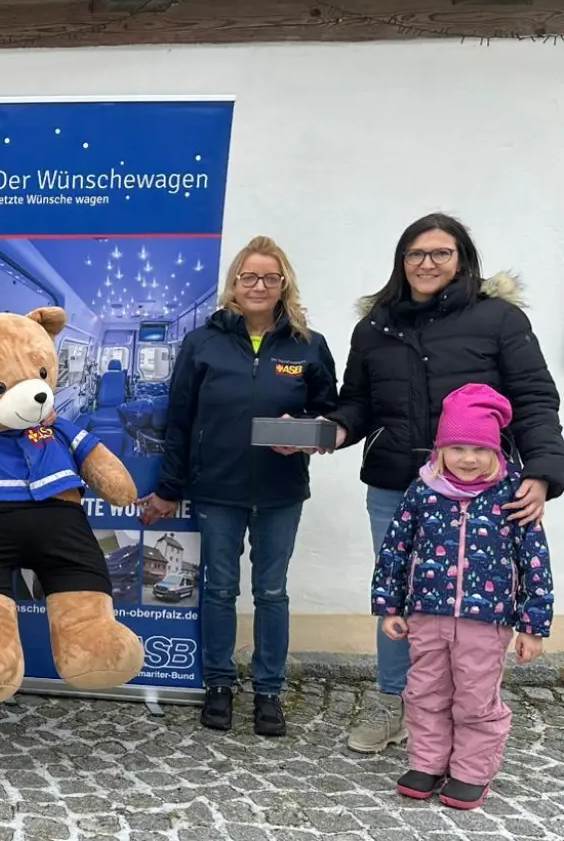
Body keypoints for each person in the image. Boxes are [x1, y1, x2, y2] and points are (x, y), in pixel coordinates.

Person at [327, 213, 564, 754]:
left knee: (471, 605)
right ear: (401, 261)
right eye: (416, 253)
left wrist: (543, 473)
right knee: (399, 596)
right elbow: (357, 403)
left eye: (441, 253)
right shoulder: (375, 327)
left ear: (462, 259)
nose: (427, 263)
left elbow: (534, 399)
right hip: (396, 487)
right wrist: (332, 430)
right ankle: (394, 702)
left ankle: (470, 715)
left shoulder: (499, 319)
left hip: (483, 495)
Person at [138, 236, 339, 736]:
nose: (258, 286)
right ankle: (219, 684)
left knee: (271, 591)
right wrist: (169, 487)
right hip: (216, 489)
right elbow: (180, 421)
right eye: (249, 276)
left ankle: (269, 690)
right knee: (220, 589)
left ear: (284, 284)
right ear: (234, 283)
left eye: (270, 277)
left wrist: (308, 431)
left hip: (280, 491)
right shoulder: (203, 343)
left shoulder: (308, 345)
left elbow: (331, 414)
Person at [370, 383, 552, 809]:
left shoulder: (514, 495)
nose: (468, 459)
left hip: (485, 622)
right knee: (425, 692)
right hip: (427, 616)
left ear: (495, 450)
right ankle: (427, 763)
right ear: (440, 450)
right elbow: (396, 549)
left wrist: (533, 626)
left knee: (475, 699)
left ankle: (471, 771)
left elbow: (535, 562)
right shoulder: (422, 491)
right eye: (457, 448)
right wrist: (389, 606)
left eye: (479, 449)